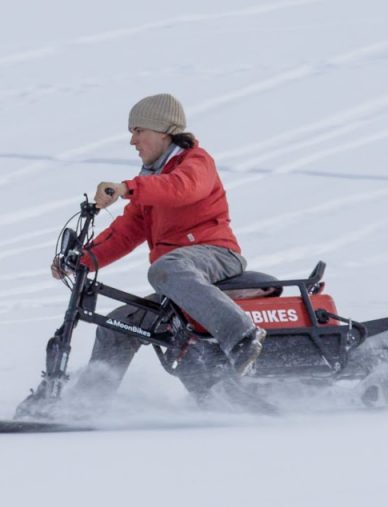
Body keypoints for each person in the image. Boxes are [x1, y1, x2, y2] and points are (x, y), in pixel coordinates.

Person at [52, 93, 265, 406]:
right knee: (116, 326)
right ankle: (83, 407)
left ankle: (243, 337)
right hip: (177, 280)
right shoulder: (149, 179)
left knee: (165, 268)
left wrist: (127, 188)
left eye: (139, 131)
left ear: (164, 132)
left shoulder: (196, 162)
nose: (133, 141)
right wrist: (80, 260)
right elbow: (126, 231)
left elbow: (181, 189)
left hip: (215, 255)